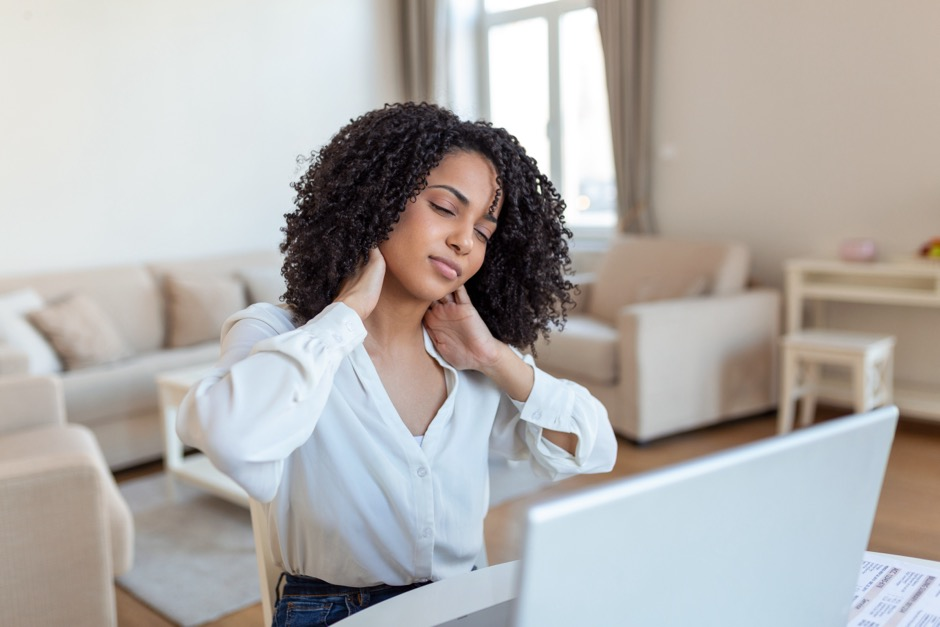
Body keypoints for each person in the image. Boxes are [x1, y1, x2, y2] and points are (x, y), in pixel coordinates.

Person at [176, 102, 617, 626]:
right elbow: (230, 436)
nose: (463, 241)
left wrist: (494, 358)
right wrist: (345, 315)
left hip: (465, 600)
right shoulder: (281, 334)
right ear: (378, 198)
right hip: (333, 612)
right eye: (446, 208)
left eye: (483, 230)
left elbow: (592, 448)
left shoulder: (471, 356)